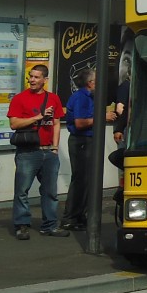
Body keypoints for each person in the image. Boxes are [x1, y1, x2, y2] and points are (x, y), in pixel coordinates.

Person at [7, 64, 69, 238]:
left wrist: (55, 147)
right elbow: (14, 124)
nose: (32, 80)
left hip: (49, 152)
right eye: (31, 76)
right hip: (27, 152)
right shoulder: (20, 98)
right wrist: (38, 117)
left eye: (36, 77)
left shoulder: (53, 98)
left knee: (50, 192)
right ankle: (22, 225)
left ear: (45, 79)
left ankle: (50, 225)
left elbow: (56, 124)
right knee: (22, 190)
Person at [62, 67, 98, 231]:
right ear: (90, 83)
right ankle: (70, 217)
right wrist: (101, 117)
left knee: (88, 179)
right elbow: (80, 122)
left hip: (88, 140)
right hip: (81, 140)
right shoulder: (81, 98)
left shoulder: (90, 97)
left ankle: (79, 215)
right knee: (80, 179)